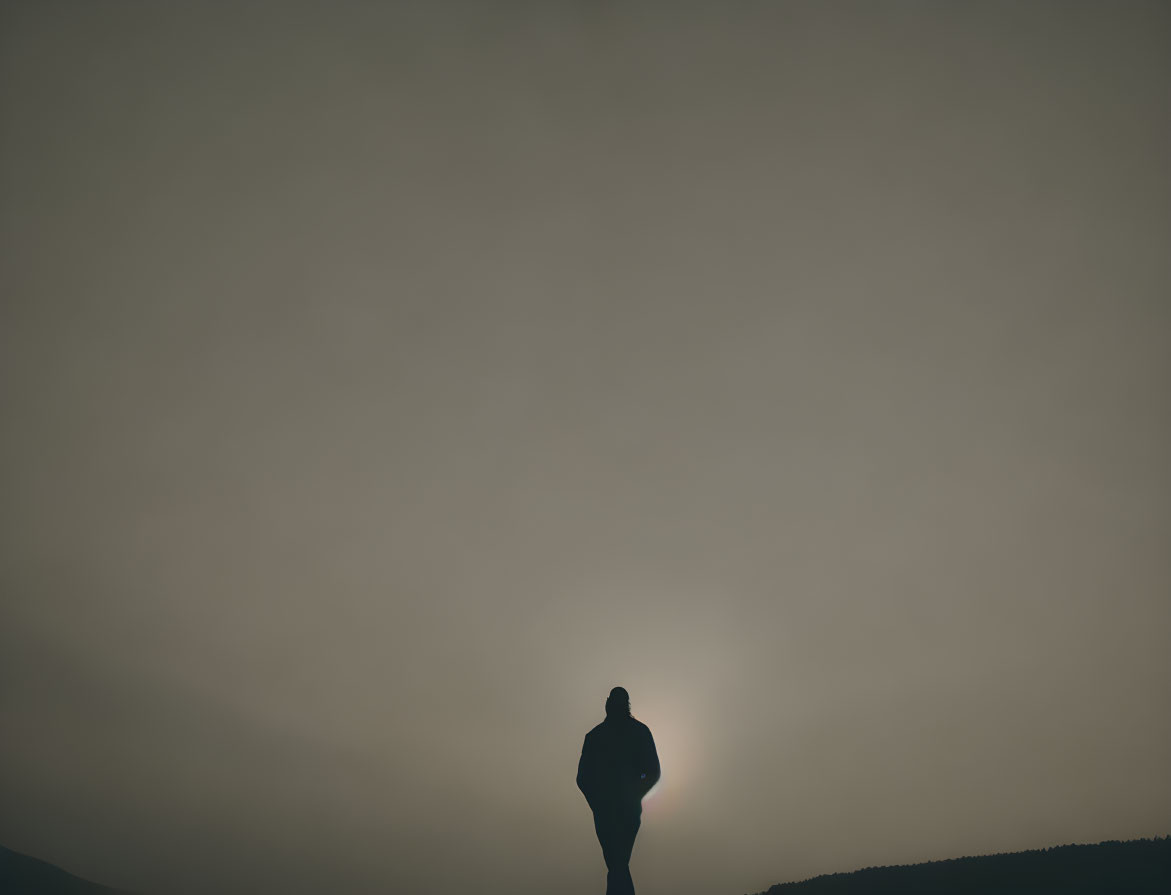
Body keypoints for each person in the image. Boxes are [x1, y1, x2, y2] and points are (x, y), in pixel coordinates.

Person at [576, 687, 661, 895]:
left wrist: (631, 796)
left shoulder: (598, 736)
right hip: (614, 811)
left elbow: (653, 772)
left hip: (616, 811)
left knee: (617, 863)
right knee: (618, 864)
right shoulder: (599, 736)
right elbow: (583, 779)